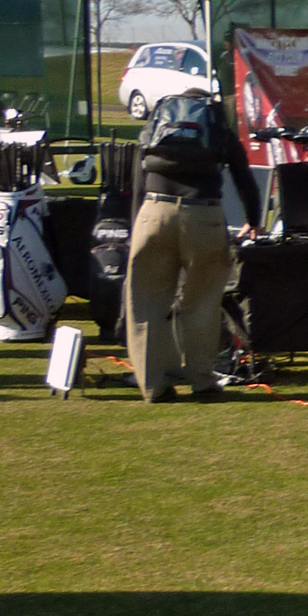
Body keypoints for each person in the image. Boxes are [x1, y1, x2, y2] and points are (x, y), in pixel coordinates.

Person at [125, 87, 258, 402]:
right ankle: (201, 380)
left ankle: (153, 384)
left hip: (152, 214)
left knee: (146, 302)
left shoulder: (157, 126)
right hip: (204, 217)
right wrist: (253, 218)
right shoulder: (217, 128)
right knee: (202, 302)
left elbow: (136, 183)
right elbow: (243, 176)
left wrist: (136, 228)